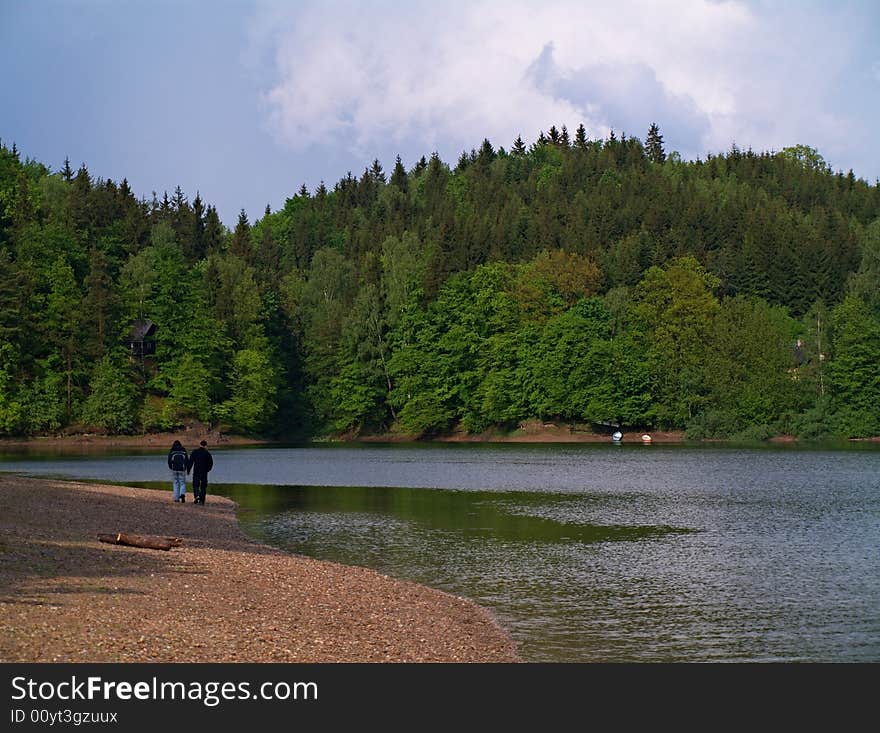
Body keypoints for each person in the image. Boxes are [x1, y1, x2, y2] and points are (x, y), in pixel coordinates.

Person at [188, 439, 214, 505]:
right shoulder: (207, 453)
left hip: (196, 470)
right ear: (206, 446)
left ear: (200, 445)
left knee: (195, 484)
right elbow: (211, 463)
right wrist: (208, 470)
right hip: (204, 472)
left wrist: (188, 470)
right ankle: (202, 500)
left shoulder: (195, 452)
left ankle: (197, 495)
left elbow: (190, 462)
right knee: (203, 486)